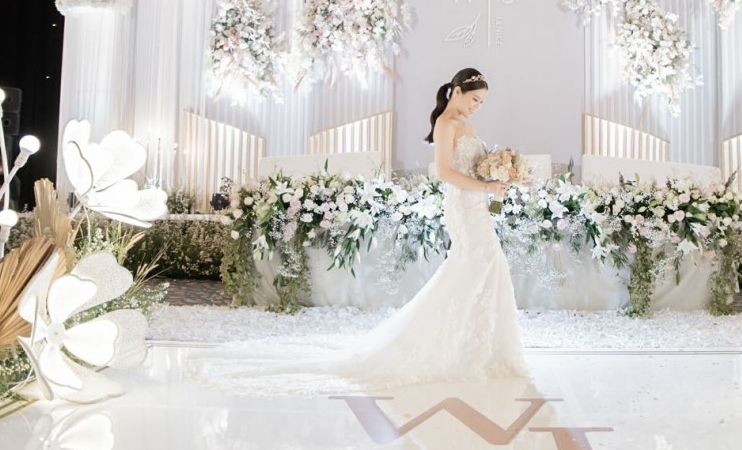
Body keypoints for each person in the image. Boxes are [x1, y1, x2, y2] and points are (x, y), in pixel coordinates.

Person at [186, 67, 529, 395]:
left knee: (482, 268)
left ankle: (477, 346)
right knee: (480, 265)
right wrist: (486, 187)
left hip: (477, 206)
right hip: (464, 208)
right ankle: (453, 345)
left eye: (482, 102)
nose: (477, 106)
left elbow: (471, 169)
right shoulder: (446, 124)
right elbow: (444, 173)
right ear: (456, 92)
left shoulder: (467, 126)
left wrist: (499, 176)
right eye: (474, 99)